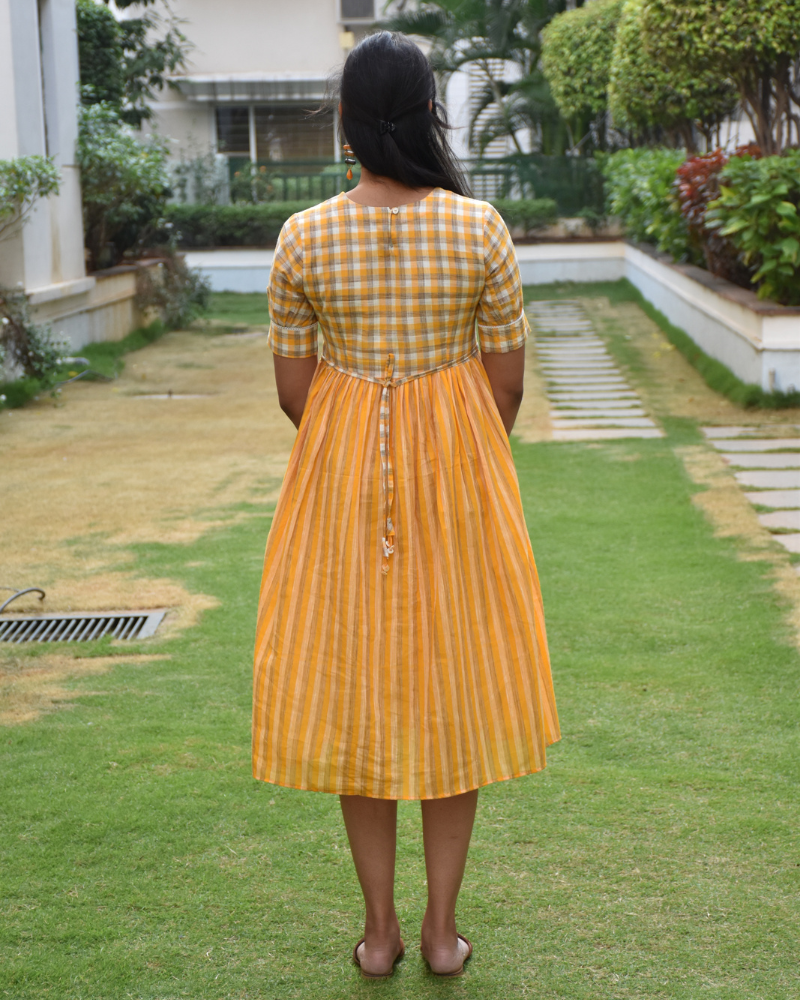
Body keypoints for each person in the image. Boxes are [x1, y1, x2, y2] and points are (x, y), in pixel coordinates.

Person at [252, 30, 560, 980]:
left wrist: (360, 442)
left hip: (338, 482)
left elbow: (292, 388)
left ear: (345, 121)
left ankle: (379, 935)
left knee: (356, 684)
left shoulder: (304, 236)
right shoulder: (482, 230)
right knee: (455, 683)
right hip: (460, 479)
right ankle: (440, 932)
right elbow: (506, 385)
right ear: (431, 114)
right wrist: (451, 448)